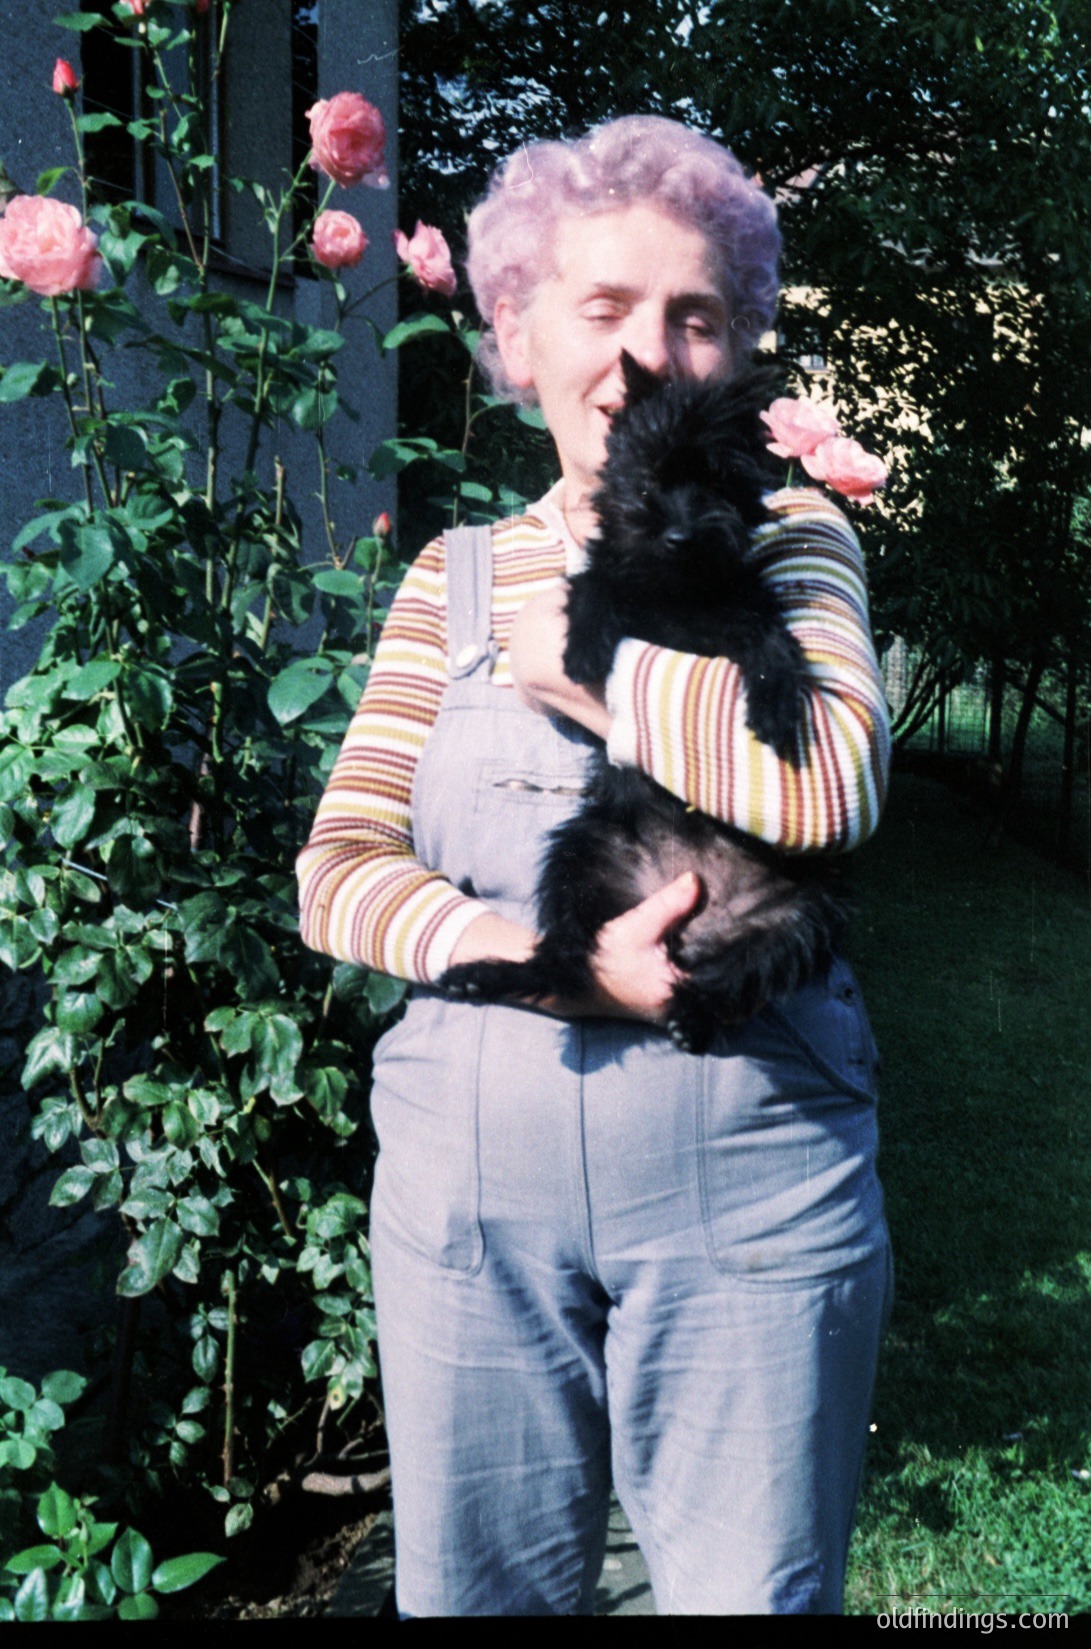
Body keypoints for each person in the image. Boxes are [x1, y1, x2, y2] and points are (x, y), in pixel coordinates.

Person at [297, 114, 892, 1617]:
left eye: (695, 316)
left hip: (752, 1184)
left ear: (737, 354)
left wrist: (593, 676)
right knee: (476, 1595)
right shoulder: (452, 580)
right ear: (518, 335)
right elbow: (339, 867)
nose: (645, 354)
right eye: (603, 306)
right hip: (466, 1208)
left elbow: (829, 786)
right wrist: (557, 968)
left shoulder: (792, 539)